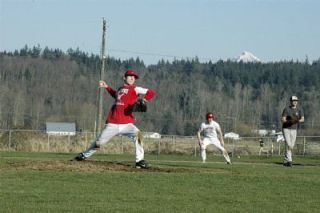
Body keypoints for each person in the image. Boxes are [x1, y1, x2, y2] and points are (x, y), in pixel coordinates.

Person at [74, 69, 155, 169]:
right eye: (130, 76)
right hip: (113, 123)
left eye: (134, 77)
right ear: (124, 78)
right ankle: (84, 155)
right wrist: (107, 87)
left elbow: (151, 92)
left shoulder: (135, 89)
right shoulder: (120, 89)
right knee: (98, 143)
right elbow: (115, 95)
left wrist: (144, 99)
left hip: (127, 124)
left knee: (138, 135)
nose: (132, 78)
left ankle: (139, 161)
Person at [281, 95, 304, 167]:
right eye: (293, 101)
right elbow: (283, 119)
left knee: (291, 145)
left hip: (294, 129)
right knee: (289, 144)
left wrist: (297, 120)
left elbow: (303, 119)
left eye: (296, 101)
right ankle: (289, 161)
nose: (295, 102)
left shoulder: (299, 109)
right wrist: (289, 121)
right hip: (286, 128)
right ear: (290, 101)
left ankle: (285, 160)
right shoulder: (286, 109)